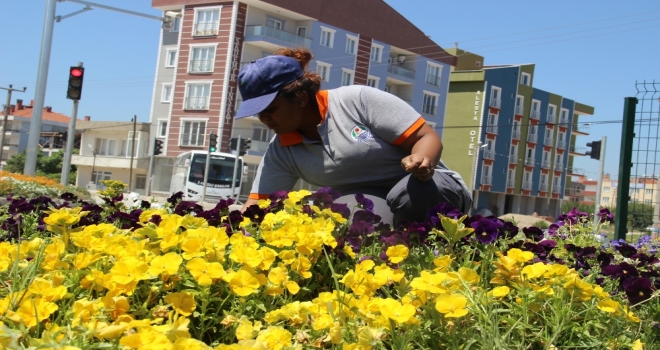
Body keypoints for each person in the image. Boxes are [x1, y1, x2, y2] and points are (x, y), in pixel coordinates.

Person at [236, 48, 472, 224]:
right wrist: (230, 230)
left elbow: (426, 137)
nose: (265, 120)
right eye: (259, 113)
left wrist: (422, 159)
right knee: (349, 218)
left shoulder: (357, 101)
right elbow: (259, 204)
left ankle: (443, 255)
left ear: (299, 97)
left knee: (415, 193)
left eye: (270, 110)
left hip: (428, 185)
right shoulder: (282, 149)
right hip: (371, 199)